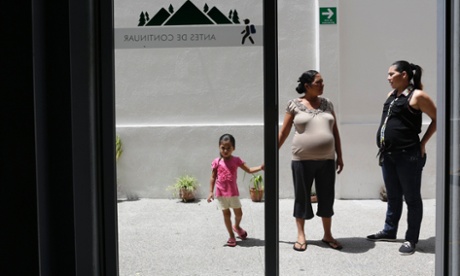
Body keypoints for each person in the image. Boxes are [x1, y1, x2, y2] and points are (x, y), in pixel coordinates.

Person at [367, 60, 437, 255]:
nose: (388, 78)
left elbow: (437, 118)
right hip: (388, 155)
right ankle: (389, 230)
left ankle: (411, 239)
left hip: (408, 155)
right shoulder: (392, 95)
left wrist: (422, 143)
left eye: (392, 74)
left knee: (412, 198)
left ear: (404, 74)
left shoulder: (418, 96)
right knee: (393, 195)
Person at [278, 70, 344, 251]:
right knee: (302, 197)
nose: (322, 85)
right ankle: (301, 235)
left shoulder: (328, 104)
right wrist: (271, 154)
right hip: (301, 160)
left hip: (327, 160)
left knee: (327, 196)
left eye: (323, 82)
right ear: (307, 86)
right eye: (319, 82)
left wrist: (340, 155)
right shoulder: (294, 105)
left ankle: (327, 234)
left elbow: (335, 130)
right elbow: (283, 132)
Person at [207, 134, 264, 247]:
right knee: (226, 214)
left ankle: (237, 226)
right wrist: (210, 191)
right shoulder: (217, 162)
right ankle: (231, 235)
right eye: (223, 147)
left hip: (233, 193)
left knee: (239, 214)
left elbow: (249, 170)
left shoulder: (236, 160)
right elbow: (213, 177)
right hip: (221, 194)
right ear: (219, 147)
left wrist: (261, 167)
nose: (226, 150)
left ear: (233, 148)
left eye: (229, 148)